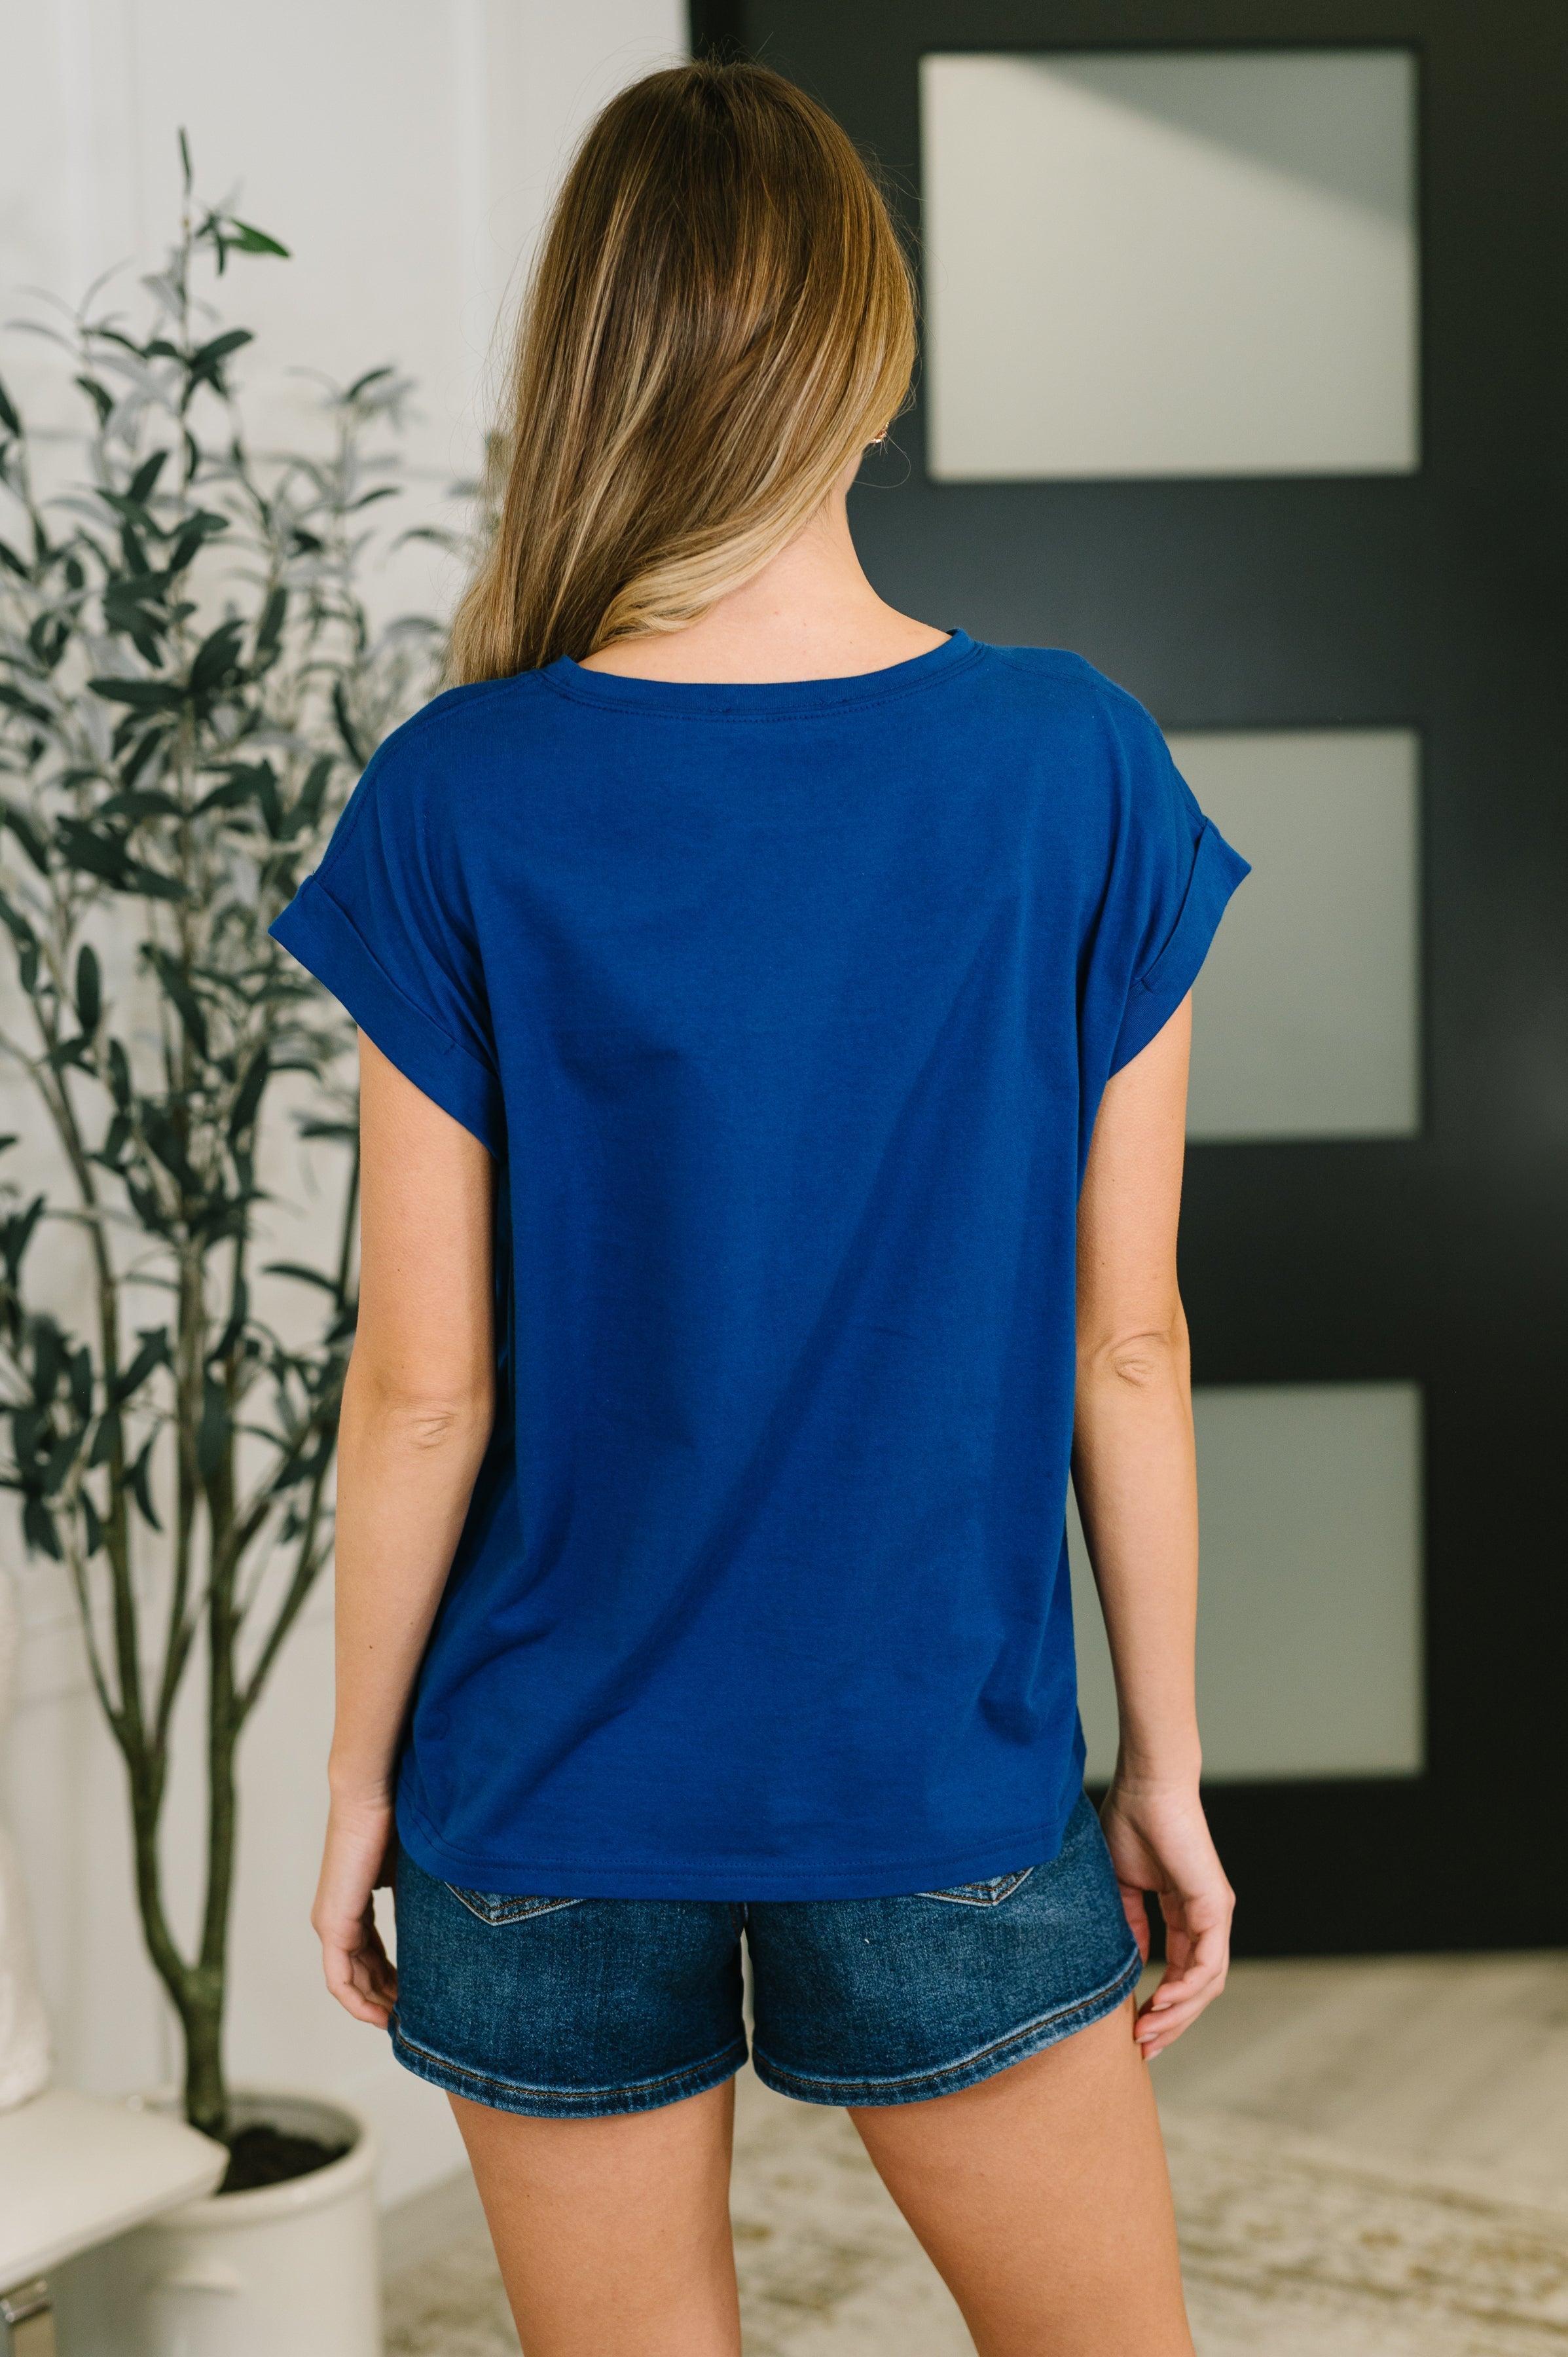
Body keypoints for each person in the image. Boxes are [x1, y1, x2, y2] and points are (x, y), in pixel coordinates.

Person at [273, 57, 1248, 2357]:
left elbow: (420, 1388)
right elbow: (1128, 1343)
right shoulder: (1071, 760)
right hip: (936, 1773)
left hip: (544, 1795)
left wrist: (352, 1791)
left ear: (589, 357)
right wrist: (1168, 1766)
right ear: (865, 346)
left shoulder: (458, 794)